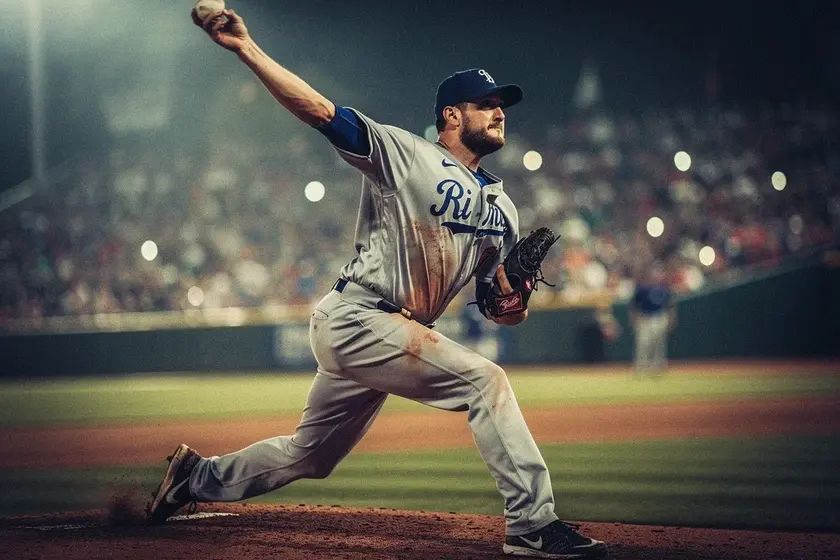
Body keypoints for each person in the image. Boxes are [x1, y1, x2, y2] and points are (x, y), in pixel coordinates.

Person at [147, 7, 608, 559]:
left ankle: (195, 477)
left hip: (389, 329)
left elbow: (499, 306)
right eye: (486, 103)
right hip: (359, 316)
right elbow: (320, 111)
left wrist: (512, 300)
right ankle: (532, 524)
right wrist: (247, 48)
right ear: (452, 115)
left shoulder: (503, 208)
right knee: (486, 382)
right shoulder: (406, 154)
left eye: (501, 104)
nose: (499, 112)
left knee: (312, 457)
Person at [629, 265, 676, 375]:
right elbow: (633, 306)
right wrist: (633, 320)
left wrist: (671, 320)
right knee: (643, 343)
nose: (655, 276)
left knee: (659, 343)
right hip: (644, 318)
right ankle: (641, 366)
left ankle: (658, 366)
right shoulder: (642, 289)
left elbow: (670, 306)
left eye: (657, 274)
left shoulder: (664, 289)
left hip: (659, 317)